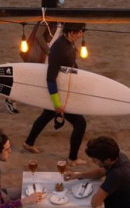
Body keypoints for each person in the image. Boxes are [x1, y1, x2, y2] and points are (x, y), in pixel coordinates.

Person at [23, 22, 88, 166]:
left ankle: (29, 142)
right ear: (72, 32)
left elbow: (70, 66)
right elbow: (50, 78)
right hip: (58, 92)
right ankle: (72, 158)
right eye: (80, 32)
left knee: (46, 115)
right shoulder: (60, 48)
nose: (81, 34)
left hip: (63, 90)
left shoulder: (67, 44)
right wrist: (57, 103)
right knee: (80, 124)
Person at [5, 0, 65, 114]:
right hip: (45, 54)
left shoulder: (55, 14)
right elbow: (38, 35)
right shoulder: (47, 16)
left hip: (50, 53)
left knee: (38, 78)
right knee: (36, 78)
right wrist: (49, 52)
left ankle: (12, 99)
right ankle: (11, 99)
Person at [64, 136, 130, 208]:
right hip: (119, 205)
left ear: (107, 160)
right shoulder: (119, 156)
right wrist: (77, 175)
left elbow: (94, 202)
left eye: (95, 160)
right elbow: (100, 172)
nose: (92, 161)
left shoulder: (116, 174)